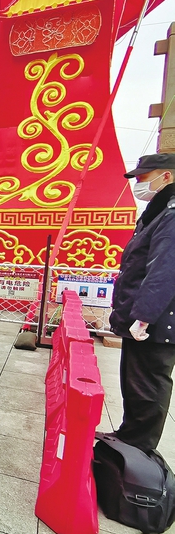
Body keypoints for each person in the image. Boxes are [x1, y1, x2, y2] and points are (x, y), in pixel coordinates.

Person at [109, 154, 175, 452]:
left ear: (167, 177)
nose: (139, 183)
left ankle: (137, 449)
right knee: (134, 384)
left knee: (147, 387)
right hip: (144, 318)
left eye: (144, 177)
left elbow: (165, 269)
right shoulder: (158, 211)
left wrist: (145, 315)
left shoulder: (172, 215)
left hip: (156, 323)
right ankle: (129, 436)